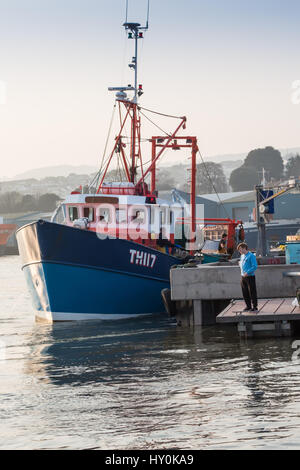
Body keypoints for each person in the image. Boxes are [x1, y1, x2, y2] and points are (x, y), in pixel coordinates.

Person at [237, 242, 258, 312]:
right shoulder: (242, 256)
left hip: (250, 276)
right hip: (243, 277)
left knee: (252, 292)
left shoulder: (251, 256)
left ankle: (255, 307)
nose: (239, 251)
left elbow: (255, 266)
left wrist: (248, 272)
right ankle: (248, 306)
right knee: (245, 292)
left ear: (244, 248)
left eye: (240, 249)